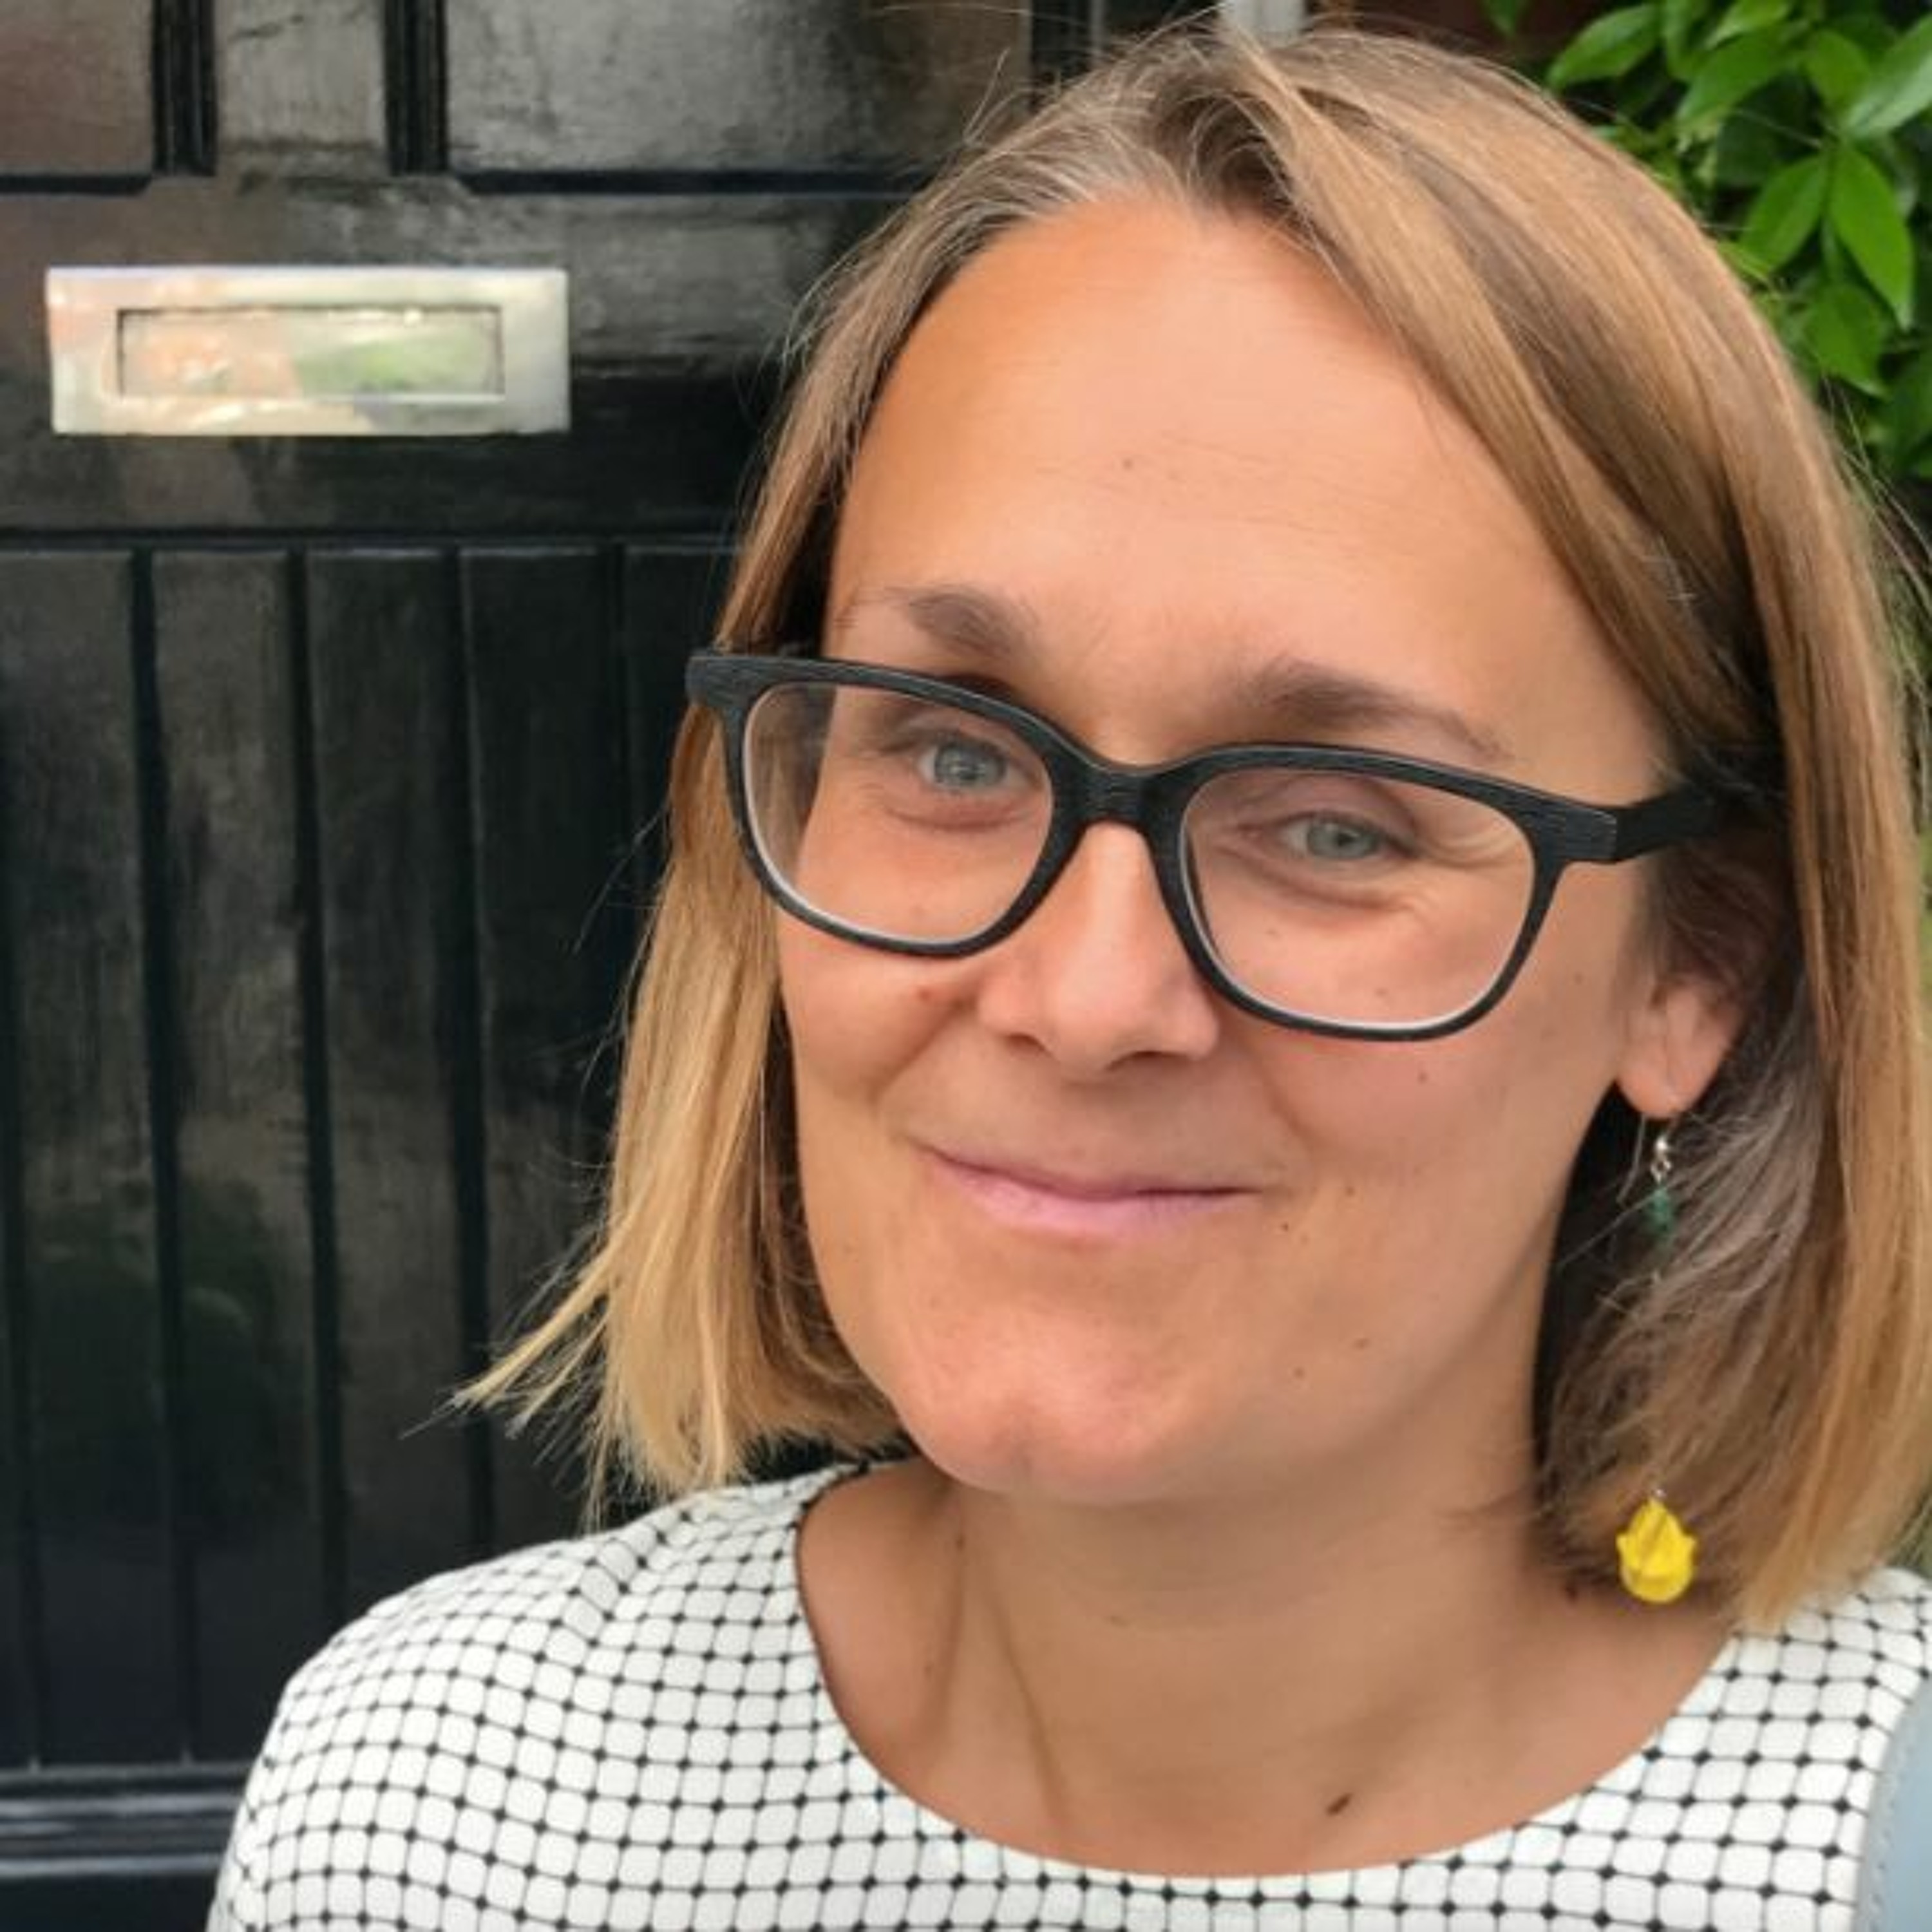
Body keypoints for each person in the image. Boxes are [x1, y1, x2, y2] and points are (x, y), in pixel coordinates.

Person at [209, 21, 1932, 1931]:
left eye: (1336, 826)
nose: (1087, 996)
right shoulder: (436, 1802)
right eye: (955, 753)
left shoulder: (1874, 1838)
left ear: (1698, 963)